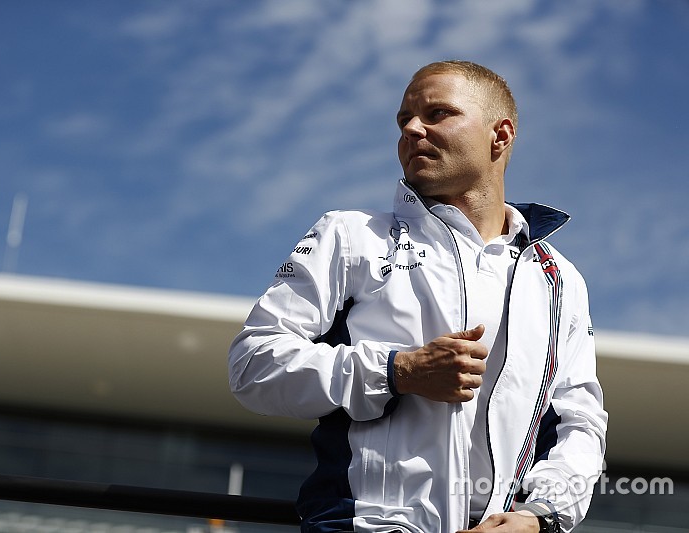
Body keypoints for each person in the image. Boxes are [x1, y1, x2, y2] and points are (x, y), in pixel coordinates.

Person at [228, 60, 607, 533]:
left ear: (501, 135)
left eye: (437, 114)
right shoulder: (351, 236)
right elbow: (252, 365)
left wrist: (541, 517)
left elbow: (579, 423)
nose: (411, 128)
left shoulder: (558, 278)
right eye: (404, 118)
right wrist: (398, 371)